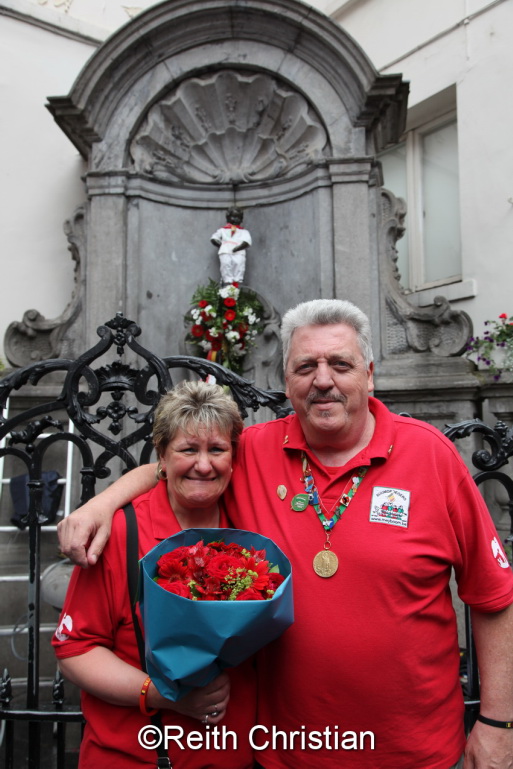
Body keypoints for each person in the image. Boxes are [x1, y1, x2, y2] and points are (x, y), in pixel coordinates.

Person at [58, 299, 513, 769]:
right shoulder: (255, 450)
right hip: (286, 753)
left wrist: (499, 723)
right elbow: (182, 465)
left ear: (370, 374)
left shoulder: (430, 456)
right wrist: (101, 505)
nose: (323, 380)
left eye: (340, 364)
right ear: (287, 381)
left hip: (414, 752)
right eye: (305, 366)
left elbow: (494, 596)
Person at [53, 381, 256, 769]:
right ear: (162, 455)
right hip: (136, 757)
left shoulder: (249, 521)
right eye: (188, 450)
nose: (203, 464)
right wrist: (162, 694)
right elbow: (75, 650)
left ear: (233, 457)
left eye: (217, 450)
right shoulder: (120, 533)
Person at [211, 207, 251, 284]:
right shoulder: (222, 230)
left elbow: (247, 242)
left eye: (238, 217)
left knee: (239, 266)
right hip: (225, 252)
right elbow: (214, 238)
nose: (236, 219)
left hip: (239, 253)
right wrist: (222, 245)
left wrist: (237, 248)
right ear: (228, 218)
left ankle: (236, 284)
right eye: (234, 217)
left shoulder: (244, 232)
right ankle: (227, 283)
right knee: (226, 266)